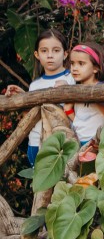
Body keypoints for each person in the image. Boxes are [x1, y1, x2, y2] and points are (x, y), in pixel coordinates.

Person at [3, 29, 75, 164]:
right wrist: (21, 97)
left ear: (65, 54)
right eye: (44, 51)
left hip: (61, 143)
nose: (50, 55)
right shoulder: (35, 85)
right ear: (36, 54)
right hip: (35, 143)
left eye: (56, 50)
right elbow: (31, 116)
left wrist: (66, 90)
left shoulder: (71, 79)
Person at [68, 42, 104, 145]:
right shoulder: (74, 90)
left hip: (97, 141)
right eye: (72, 63)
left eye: (81, 63)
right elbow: (70, 110)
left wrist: (92, 97)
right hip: (79, 140)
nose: (74, 68)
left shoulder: (102, 88)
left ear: (96, 68)